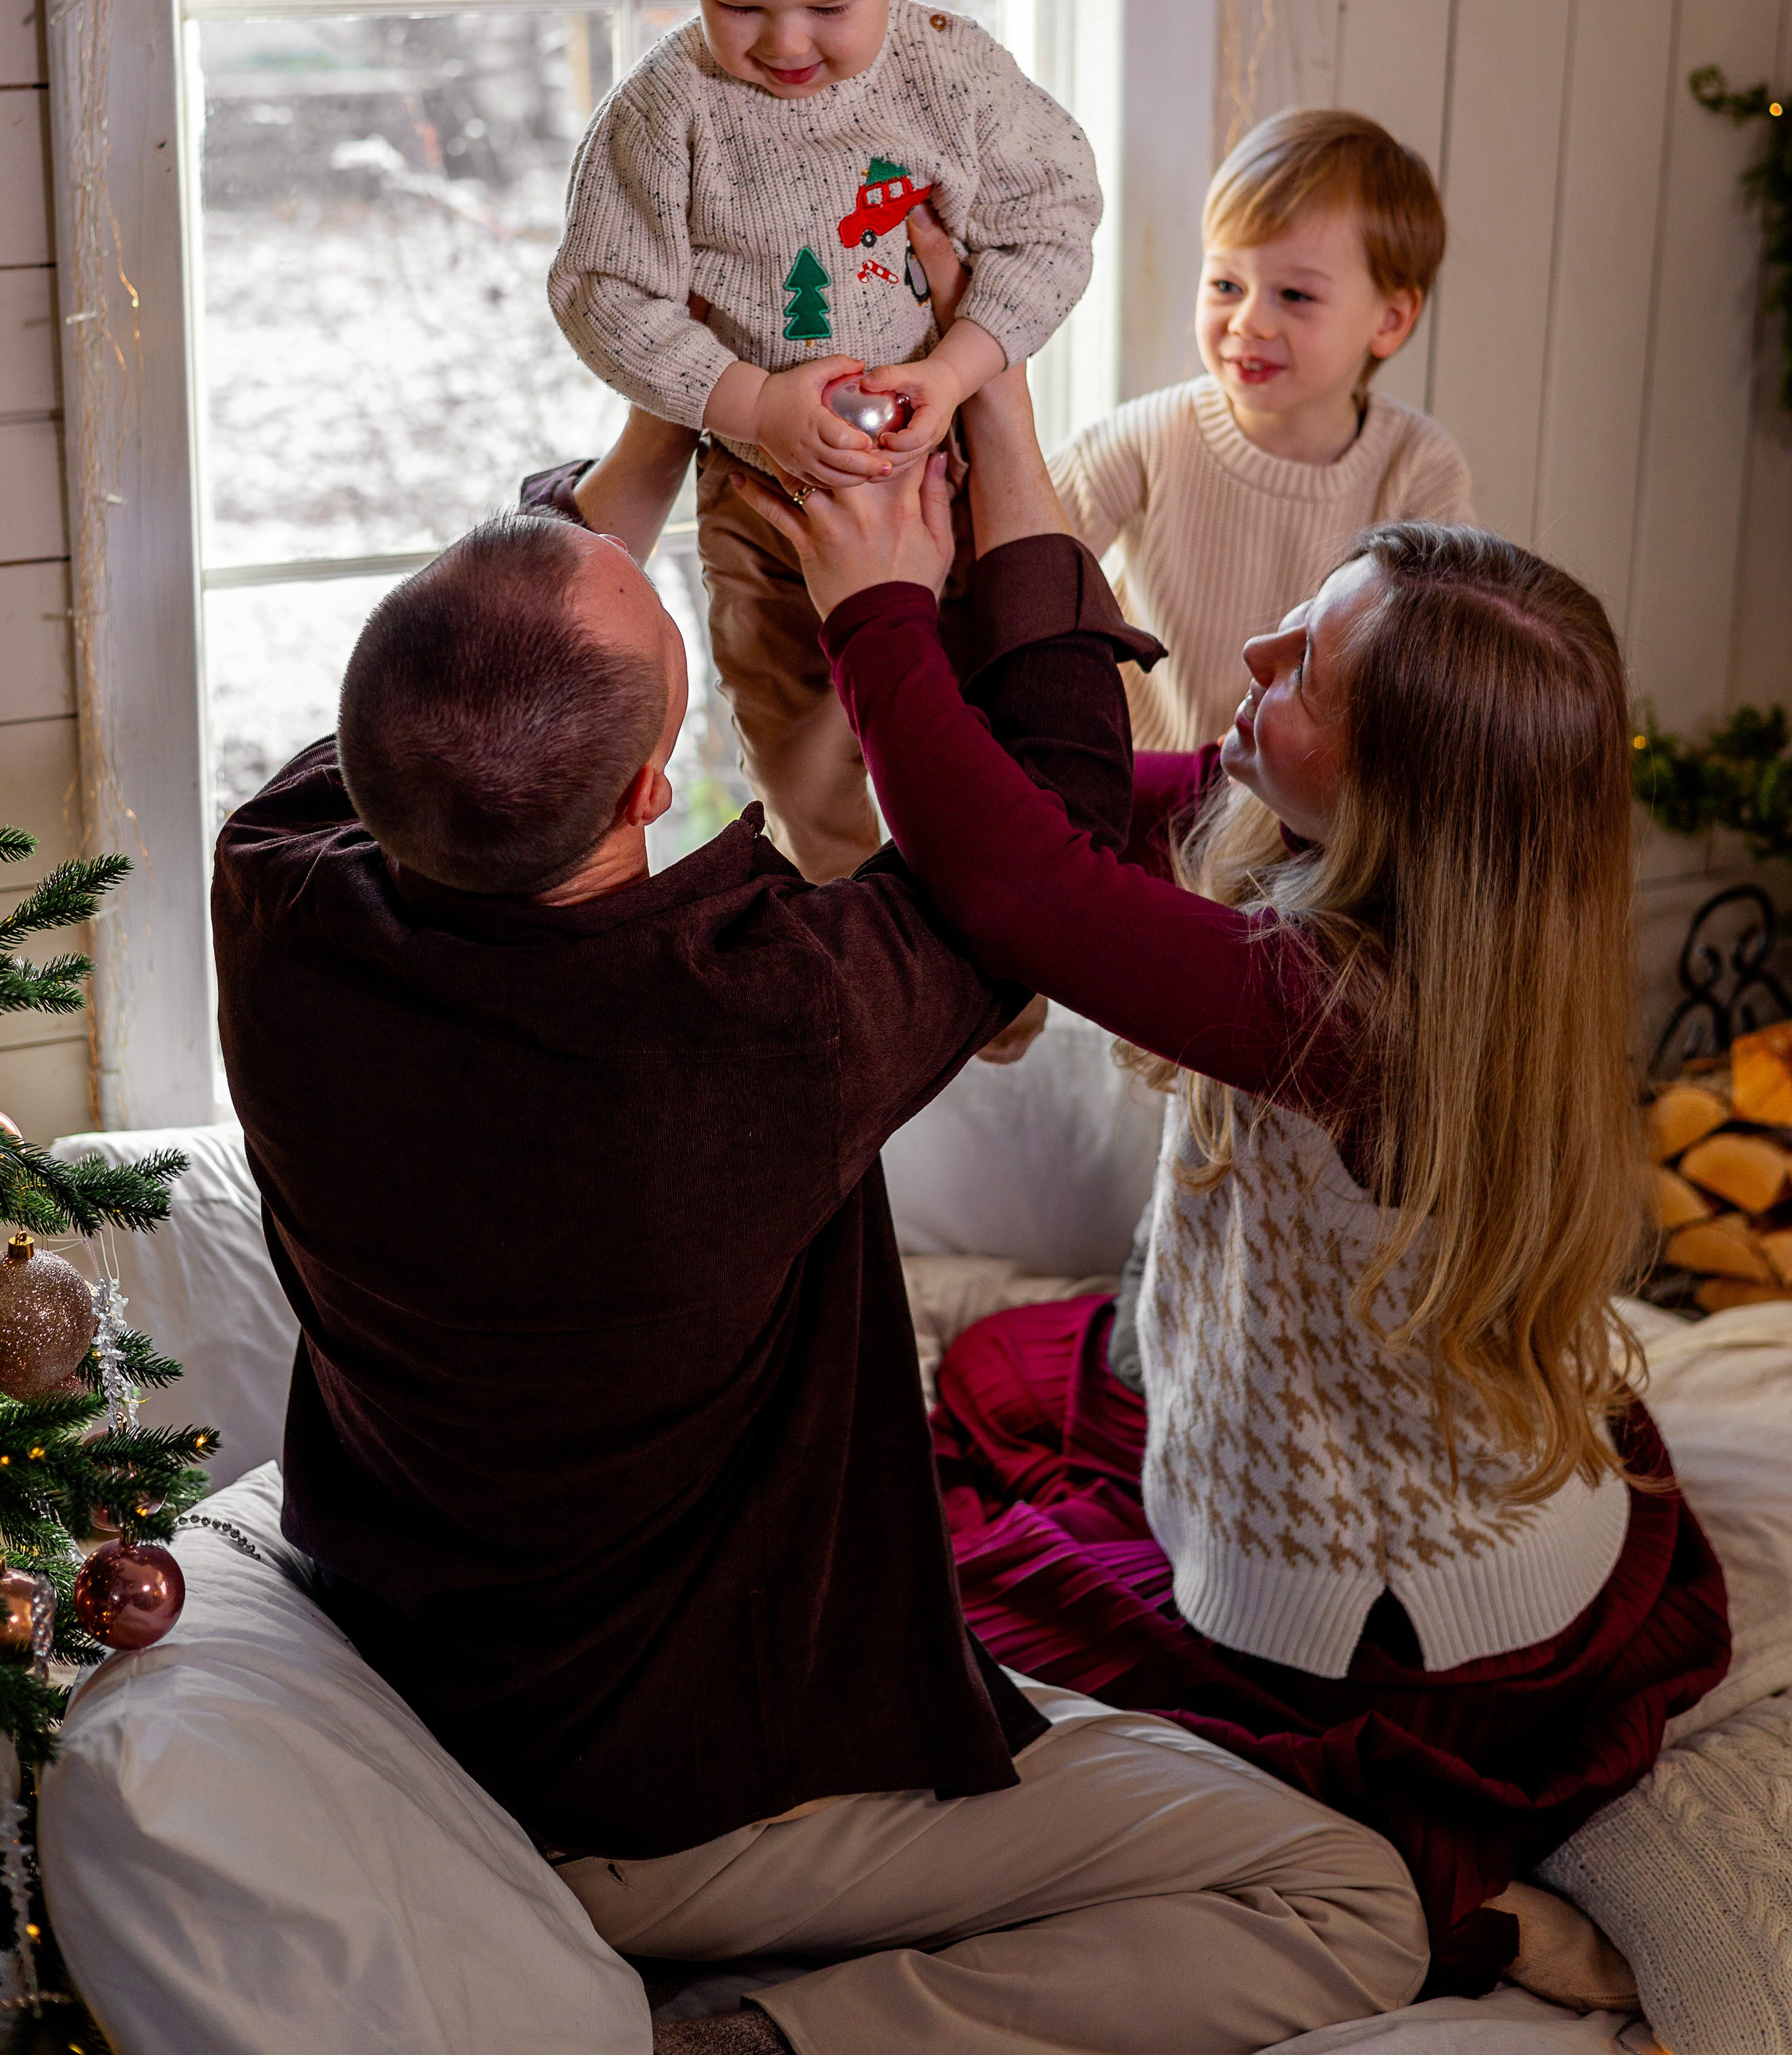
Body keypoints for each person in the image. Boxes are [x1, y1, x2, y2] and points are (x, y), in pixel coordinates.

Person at [211, 386, 1429, 2055]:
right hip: (668, 1803)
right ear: (652, 787)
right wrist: (912, 533)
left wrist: (667, 410)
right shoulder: (754, 1024)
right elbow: (1043, 835)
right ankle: (776, 2038)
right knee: (1348, 1896)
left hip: (422, 1680)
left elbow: (473, 663)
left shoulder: (275, 892)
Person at [736, 393, 1730, 2011]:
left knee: (928, 1613)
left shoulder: (1351, 1011)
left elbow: (1017, 884)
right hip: (1370, 1431)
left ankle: (1438, 1898)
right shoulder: (1421, 888)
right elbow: (1069, 799)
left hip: (1388, 1625)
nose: (1250, 648)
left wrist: (874, 612)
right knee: (1010, 1385)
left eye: (1300, 669)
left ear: (1401, 798)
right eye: (1295, 617)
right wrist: (989, 421)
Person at [545, 0, 1100, 884]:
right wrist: (745, 399)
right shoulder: (668, 113)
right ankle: (858, 927)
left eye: (828, 9)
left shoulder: (949, 77)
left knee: (984, 733)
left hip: (940, 474)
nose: (784, 43)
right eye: (739, 5)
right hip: (764, 499)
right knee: (803, 754)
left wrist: (956, 373)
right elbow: (601, 289)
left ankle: (986, 957)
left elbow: (1055, 215)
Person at [1049, 108, 1474, 754]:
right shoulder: (1146, 439)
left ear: (1390, 318)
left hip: (1311, 811)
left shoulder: (1419, 468)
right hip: (1143, 789)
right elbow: (1022, 566)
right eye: (1226, 283)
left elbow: (1441, 667)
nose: (1248, 321)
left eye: (1294, 296)